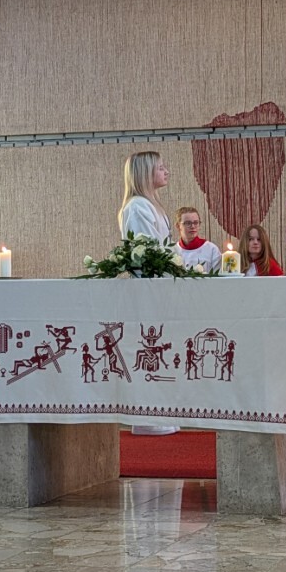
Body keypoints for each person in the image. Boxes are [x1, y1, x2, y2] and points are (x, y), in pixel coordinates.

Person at [117, 150, 179, 435]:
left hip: (161, 287)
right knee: (149, 349)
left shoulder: (154, 206)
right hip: (150, 287)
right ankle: (148, 417)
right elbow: (147, 253)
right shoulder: (137, 207)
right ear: (145, 173)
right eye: (160, 168)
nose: (166, 172)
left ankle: (163, 412)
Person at [175, 206, 221, 272]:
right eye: (188, 223)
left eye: (196, 222)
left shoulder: (211, 250)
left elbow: (218, 276)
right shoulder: (173, 251)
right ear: (178, 226)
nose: (193, 226)